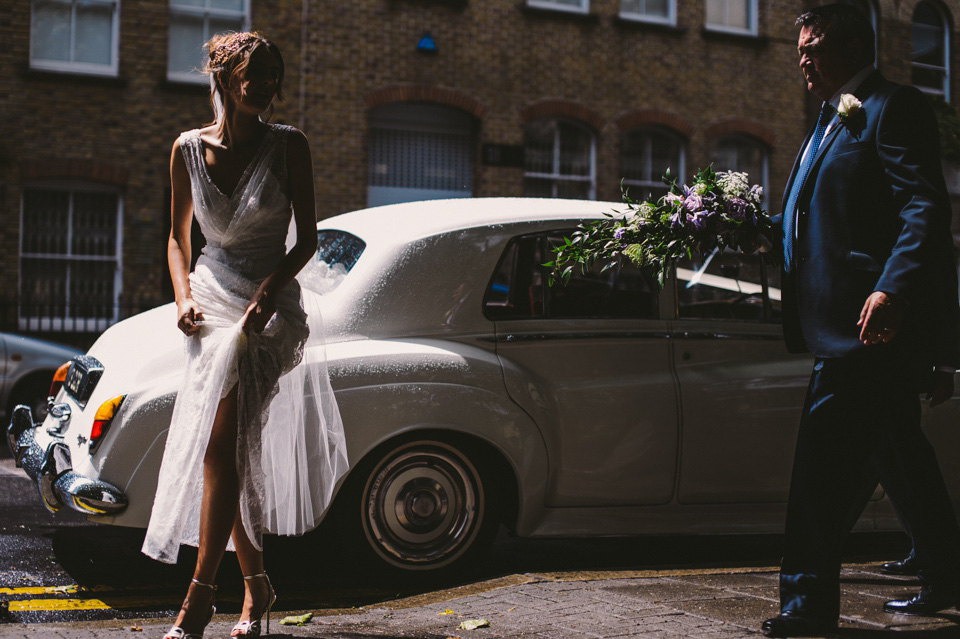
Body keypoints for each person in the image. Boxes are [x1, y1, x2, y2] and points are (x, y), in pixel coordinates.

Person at [140, 31, 348, 639]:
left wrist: (267, 291)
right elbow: (180, 239)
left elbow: (307, 240)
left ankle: (199, 597)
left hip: (270, 307)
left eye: (274, 76)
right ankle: (255, 586)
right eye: (256, 74)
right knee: (227, 450)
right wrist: (180, 297)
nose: (268, 86)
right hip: (208, 302)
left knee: (222, 447)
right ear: (225, 76)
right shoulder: (185, 149)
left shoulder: (290, 147)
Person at [762, 5, 960, 637]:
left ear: (852, 47)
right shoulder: (824, 119)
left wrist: (892, 288)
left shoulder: (891, 107)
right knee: (901, 456)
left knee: (819, 471)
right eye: (799, 48)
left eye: (814, 47)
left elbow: (923, 205)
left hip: (866, 330)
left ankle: (806, 606)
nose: (802, 59)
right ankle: (946, 571)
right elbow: (814, 218)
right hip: (838, 326)